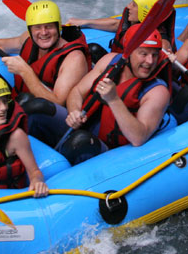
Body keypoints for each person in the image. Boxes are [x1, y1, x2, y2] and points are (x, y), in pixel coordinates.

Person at [33, 27, 172, 165]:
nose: (150, 61)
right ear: (128, 52)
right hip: (83, 126)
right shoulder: (109, 61)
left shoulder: (157, 92)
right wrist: (74, 112)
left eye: (155, 55)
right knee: (36, 106)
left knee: (81, 141)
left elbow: (139, 137)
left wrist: (114, 100)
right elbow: (77, 92)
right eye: (144, 54)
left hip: (110, 151)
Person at [0, 0, 90, 108]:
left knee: (29, 102)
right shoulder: (29, 38)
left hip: (46, 113)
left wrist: (25, 71)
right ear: (30, 29)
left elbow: (58, 103)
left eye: (49, 27)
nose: (43, 32)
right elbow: (0, 45)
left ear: (58, 27)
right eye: (37, 28)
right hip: (18, 99)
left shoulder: (74, 58)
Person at [67, 0, 176, 53]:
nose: (128, 6)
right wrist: (85, 22)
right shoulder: (135, 22)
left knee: (93, 50)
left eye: (134, 5)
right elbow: (116, 25)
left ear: (146, 12)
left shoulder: (160, 43)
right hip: (120, 62)